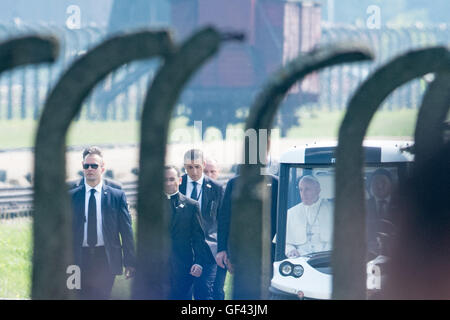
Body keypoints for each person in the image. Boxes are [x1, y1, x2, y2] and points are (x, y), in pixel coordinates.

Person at [69, 146, 135, 299]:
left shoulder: (116, 196)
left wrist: (130, 261)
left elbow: (126, 230)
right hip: (76, 258)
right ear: (82, 167)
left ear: (103, 167)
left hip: (105, 258)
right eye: (86, 166)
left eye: (94, 165)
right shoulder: (71, 196)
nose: (90, 169)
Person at [164, 165, 216, 300]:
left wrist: (198, 262)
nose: (168, 183)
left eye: (171, 179)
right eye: (165, 180)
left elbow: (198, 237)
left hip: (183, 267)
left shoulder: (191, 205)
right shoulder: (152, 206)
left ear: (180, 180)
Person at [179, 149, 224, 300]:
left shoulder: (216, 188)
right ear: (184, 166)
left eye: (197, 166)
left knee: (204, 292)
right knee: (181, 293)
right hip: (183, 249)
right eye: (189, 167)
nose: (194, 171)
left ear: (203, 165)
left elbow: (223, 221)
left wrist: (224, 249)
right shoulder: (178, 184)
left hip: (208, 249)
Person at [285, 175, 333, 258]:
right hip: (301, 258)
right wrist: (291, 250)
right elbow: (284, 242)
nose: (303, 193)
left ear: (318, 190)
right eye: (301, 190)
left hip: (328, 258)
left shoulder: (334, 210)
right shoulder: (292, 213)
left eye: (307, 189)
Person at [366, 168, 397, 257]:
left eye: (383, 182)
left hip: (398, 257)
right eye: (375, 183)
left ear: (391, 184)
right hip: (370, 259)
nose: (379, 186)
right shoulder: (363, 206)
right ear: (370, 186)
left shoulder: (403, 205)